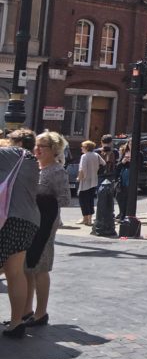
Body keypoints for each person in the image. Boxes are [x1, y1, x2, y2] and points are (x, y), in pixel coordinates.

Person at [22, 131, 71, 329]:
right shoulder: (34, 167)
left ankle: (41, 313)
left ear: (53, 150)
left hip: (46, 223)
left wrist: (40, 199)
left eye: (42, 146)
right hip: (30, 221)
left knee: (40, 267)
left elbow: (65, 199)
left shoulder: (57, 171)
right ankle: (26, 311)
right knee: (27, 267)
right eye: (36, 145)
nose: (37, 149)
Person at [0, 132, 39, 338]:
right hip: (29, 220)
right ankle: (17, 322)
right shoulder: (32, 161)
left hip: (9, 219)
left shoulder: (11, 154)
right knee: (15, 272)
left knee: (12, 272)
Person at [76, 140, 100, 227]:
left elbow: (82, 169)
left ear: (86, 147)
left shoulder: (84, 156)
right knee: (90, 200)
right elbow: (103, 163)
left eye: (82, 147)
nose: (81, 148)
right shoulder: (96, 155)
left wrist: (79, 178)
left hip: (85, 181)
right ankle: (90, 218)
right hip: (94, 181)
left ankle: (85, 218)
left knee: (83, 200)